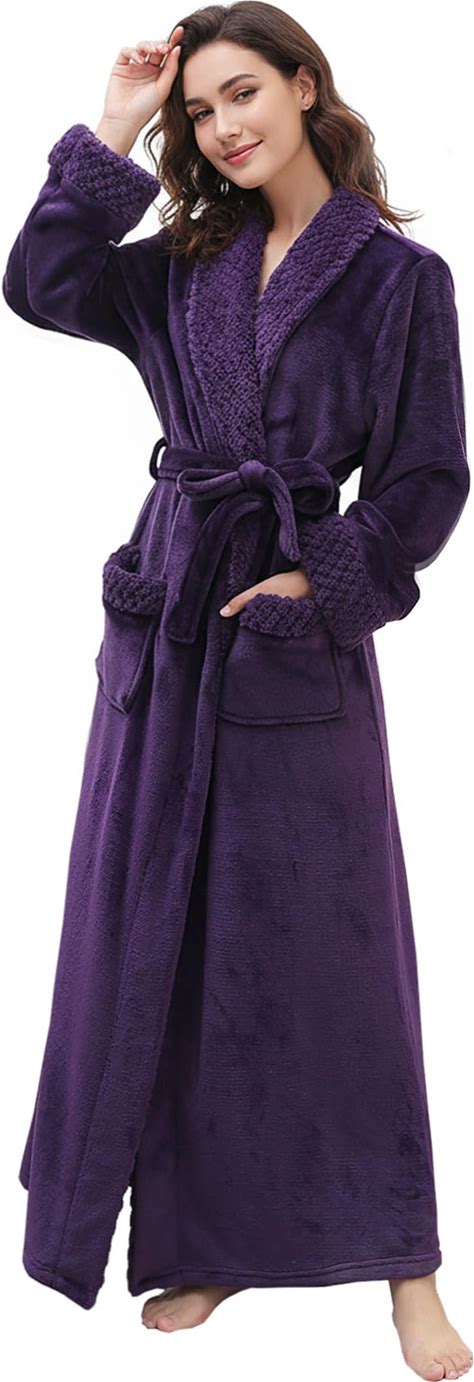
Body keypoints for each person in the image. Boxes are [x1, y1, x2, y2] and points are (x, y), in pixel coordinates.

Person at [3, 4, 472, 1374]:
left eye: (243, 93)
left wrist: (319, 582)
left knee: (333, 955)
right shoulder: (183, 262)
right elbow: (41, 282)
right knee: (167, 936)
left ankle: (407, 1267)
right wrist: (114, 126)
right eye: (200, 111)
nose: (222, 128)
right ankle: (207, 1243)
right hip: (165, 623)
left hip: (288, 633)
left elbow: (427, 476)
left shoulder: (399, 280)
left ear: (305, 86)